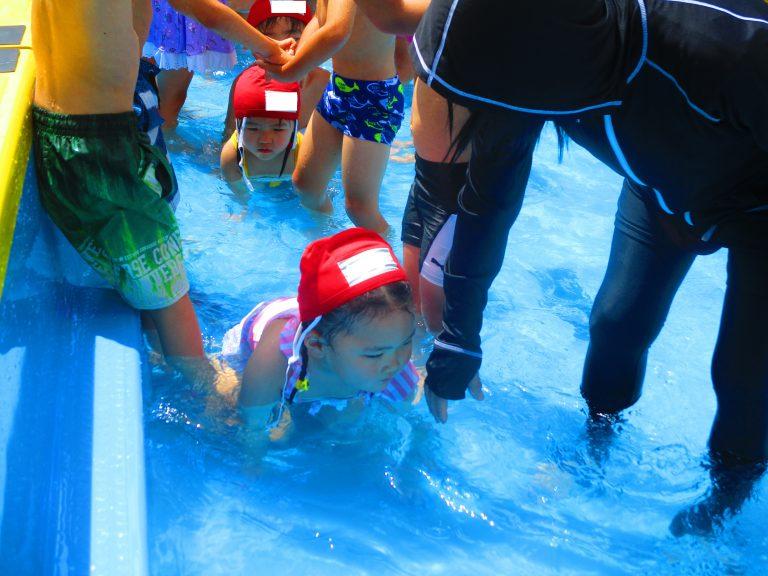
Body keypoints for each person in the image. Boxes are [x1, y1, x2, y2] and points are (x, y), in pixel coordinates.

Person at [408, 0, 768, 533]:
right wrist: (461, 336)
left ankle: (725, 499)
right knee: (615, 324)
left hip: (759, 213)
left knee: (744, 375)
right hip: (659, 192)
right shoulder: (522, 62)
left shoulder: (727, 45)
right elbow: (489, 204)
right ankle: (597, 442)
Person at [219, 228, 421, 432]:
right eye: (375, 355)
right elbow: (251, 429)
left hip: (333, 329)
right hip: (262, 345)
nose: (396, 363)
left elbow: (403, 414)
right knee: (225, 401)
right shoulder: (275, 359)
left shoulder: (390, 353)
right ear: (317, 345)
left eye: (406, 342)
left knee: (345, 424)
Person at [257, 0, 406, 234]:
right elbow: (321, 19)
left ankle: (389, 254)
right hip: (339, 88)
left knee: (359, 207)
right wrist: (299, 55)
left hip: (375, 96)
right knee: (306, 186)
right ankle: (327, 238)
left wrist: (292, 70)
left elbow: (337, 31)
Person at [142, 0, 290, 129]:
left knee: (157, 88)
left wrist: (265, 46)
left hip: (178, 18)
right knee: (168, 100)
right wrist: (271, 51)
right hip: (182, 19)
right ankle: (157, 140)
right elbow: (207, 13)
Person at [221, 0, 330, 141]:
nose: (281, 49)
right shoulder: (243, 84)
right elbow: (230, 138)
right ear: (250, 45)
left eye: (295, 38)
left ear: (311, 39)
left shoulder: (324, 84)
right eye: (268, 41)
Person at [220, 66, 303, 190]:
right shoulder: (231, 157)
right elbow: (240, 196)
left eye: (278, 129)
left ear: (294, 128)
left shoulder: (303, 153)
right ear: (239, 126)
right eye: (253, 128)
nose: (265, 139)